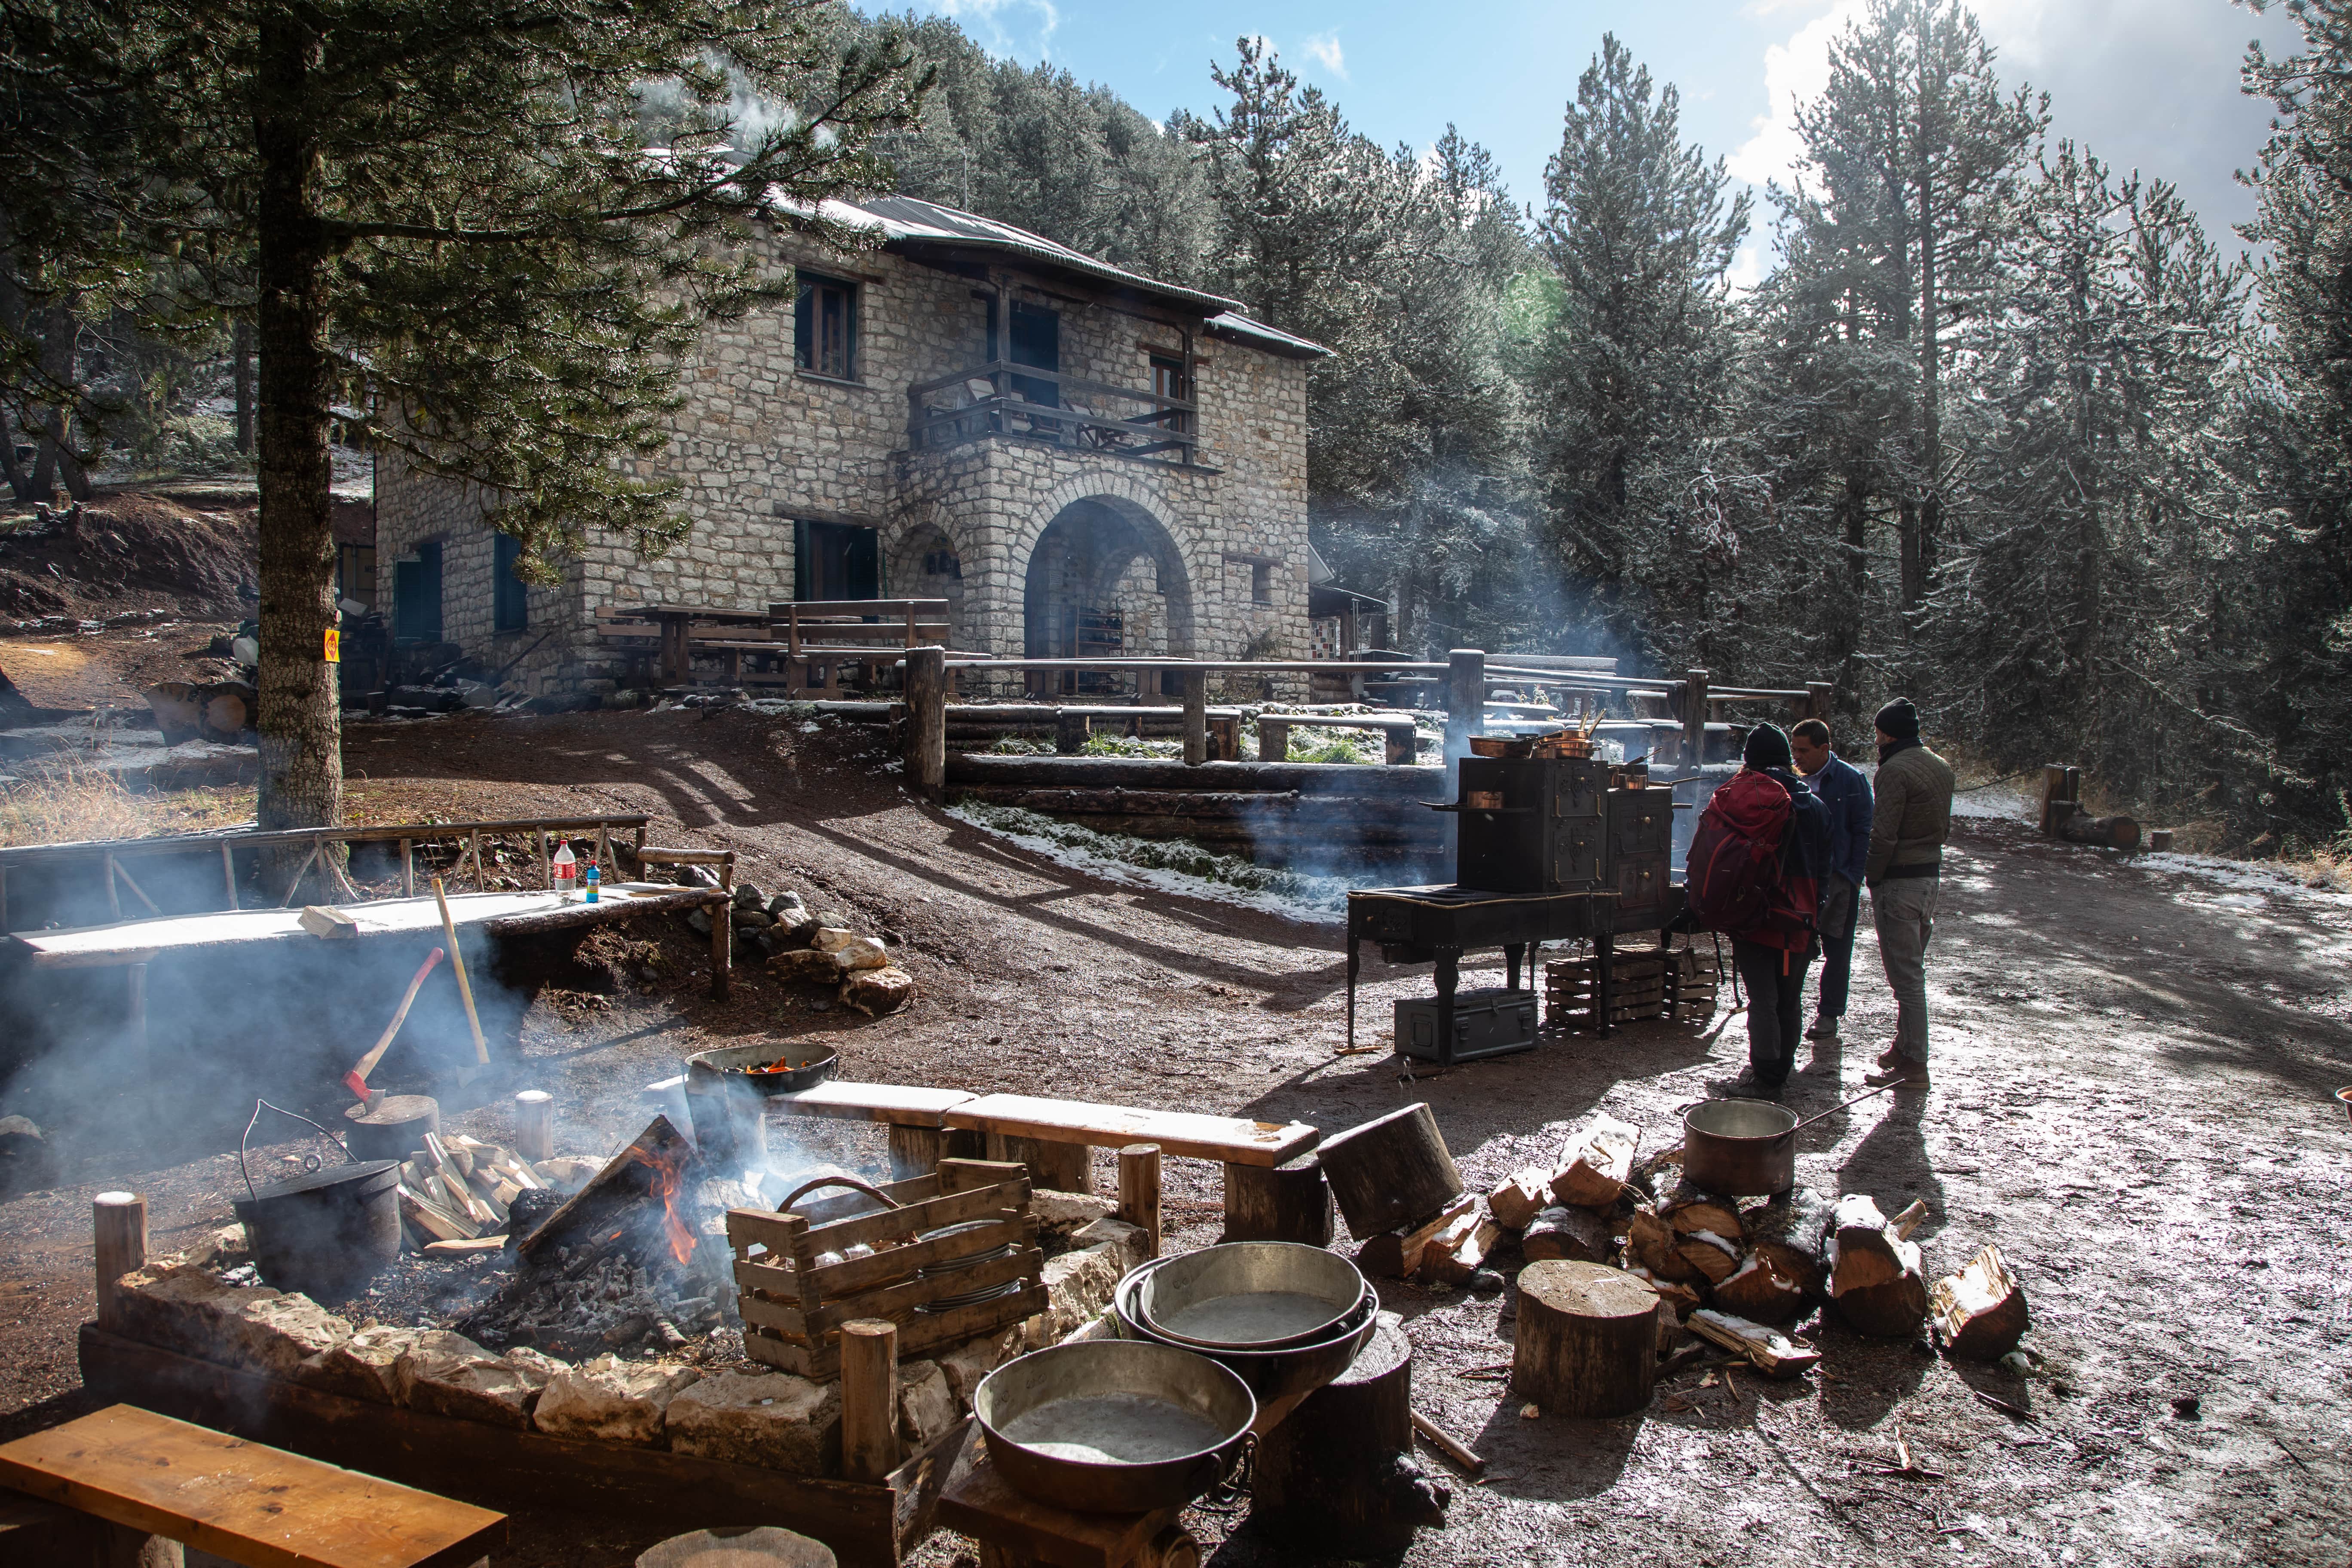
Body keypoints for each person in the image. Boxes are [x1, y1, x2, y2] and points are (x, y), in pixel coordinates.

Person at [1711, 723, 1831, 1099]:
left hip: (1755, 913)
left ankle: (1765, 1076)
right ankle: (1781, 1067)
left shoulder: (1745, 800)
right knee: (1789, 995)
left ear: (1750, 761)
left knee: (1762, 997)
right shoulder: (1815, 805)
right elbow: (1826, 865)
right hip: (1800, 917)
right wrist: (1816, 913)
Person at [1862, 698, 1954, 1090]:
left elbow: (1884, 835)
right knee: (1911, 970)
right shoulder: (1940, 766)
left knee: (1907, 978)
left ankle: (1916, 1063)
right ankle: (1904, 1046)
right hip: (1929, 878)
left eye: (1879, 732)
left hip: (1900, 881)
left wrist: (1871, 876)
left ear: (1887, 734)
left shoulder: (1894, 771)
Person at [1790, 718, 1872, 1045]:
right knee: (1795, 944)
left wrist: (1853, 877)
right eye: (1794, 750)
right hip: (1801, 878)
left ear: (1825, 749)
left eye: (1804, 751)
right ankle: (1788, 1006)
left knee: (1838, 950)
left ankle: (1829, 1013)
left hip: (1838, 878)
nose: (1797, 757)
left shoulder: (1851, 780)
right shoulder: (1790, 780)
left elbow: (1865, 829)